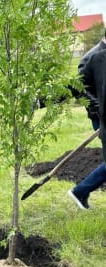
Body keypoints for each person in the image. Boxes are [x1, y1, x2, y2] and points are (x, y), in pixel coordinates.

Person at [67, 48, 106, 209]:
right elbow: (77, 88)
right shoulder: (94, 57)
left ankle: (80, 190)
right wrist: (98, 108)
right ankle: (80, 190)